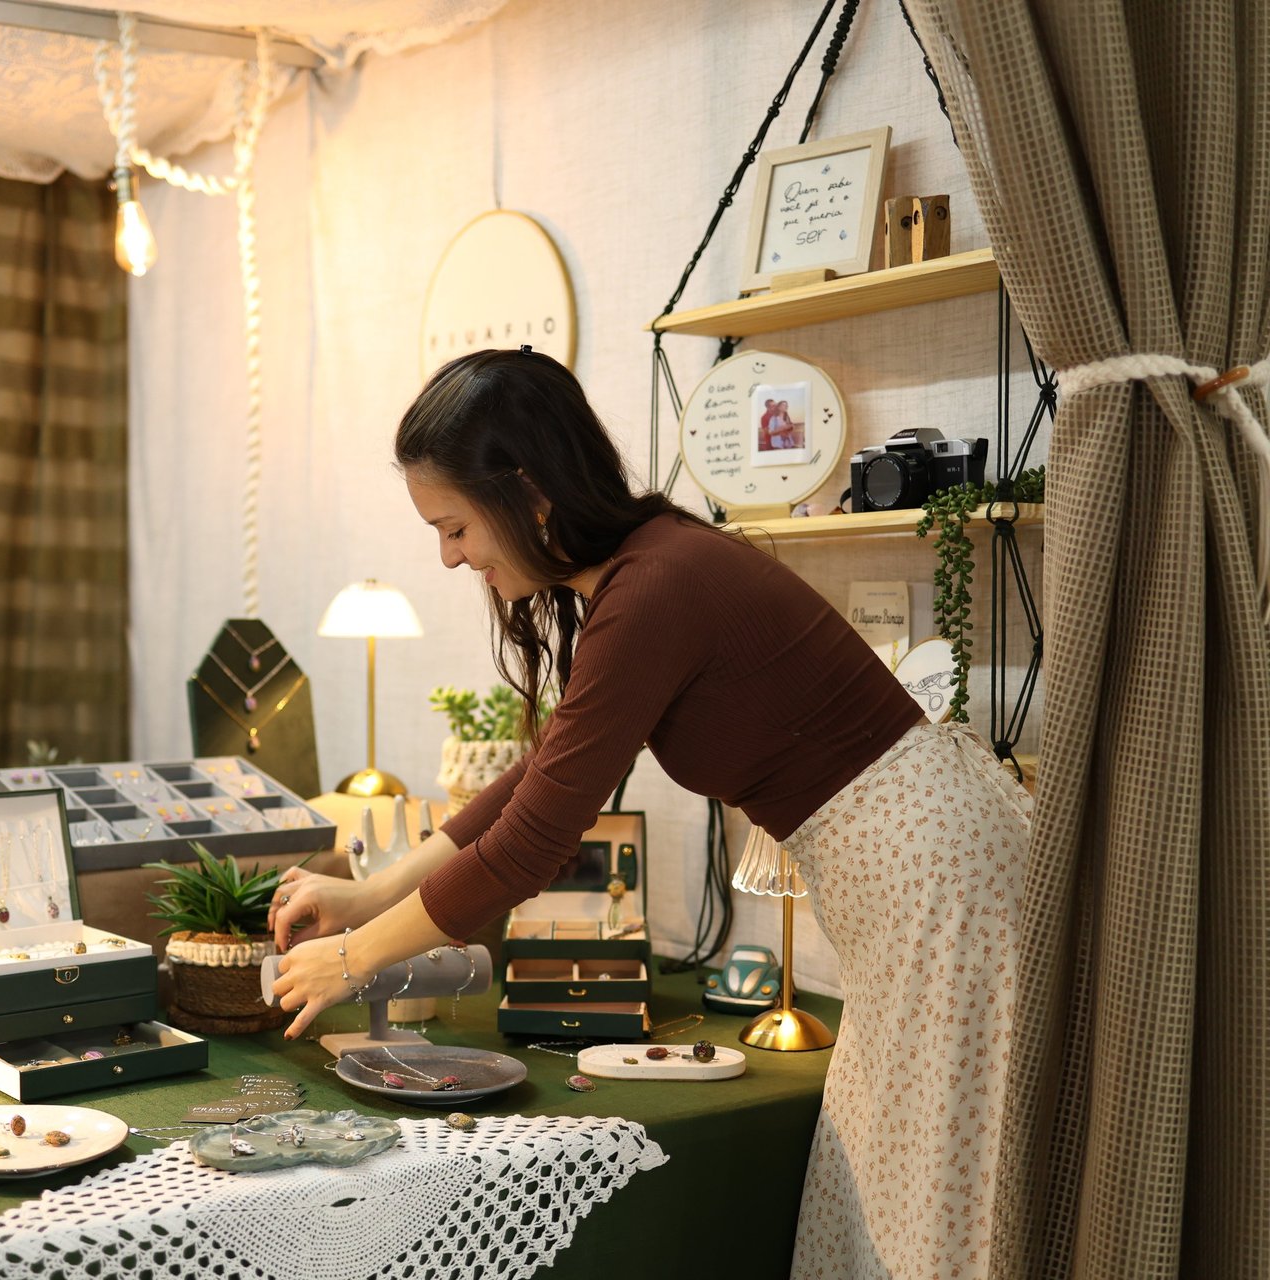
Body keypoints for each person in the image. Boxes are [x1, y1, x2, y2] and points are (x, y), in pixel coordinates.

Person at [268, 347, 1030, 1280]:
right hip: (911, 874)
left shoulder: (656, 585)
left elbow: (534, 843)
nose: (450, 556)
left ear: (527, 491)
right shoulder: (640, 575)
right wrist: (371, 894)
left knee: (928, 1196)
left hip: (937, 878)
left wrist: (353, 957)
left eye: (456, 526)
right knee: (885, 1177)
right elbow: (544, 776)